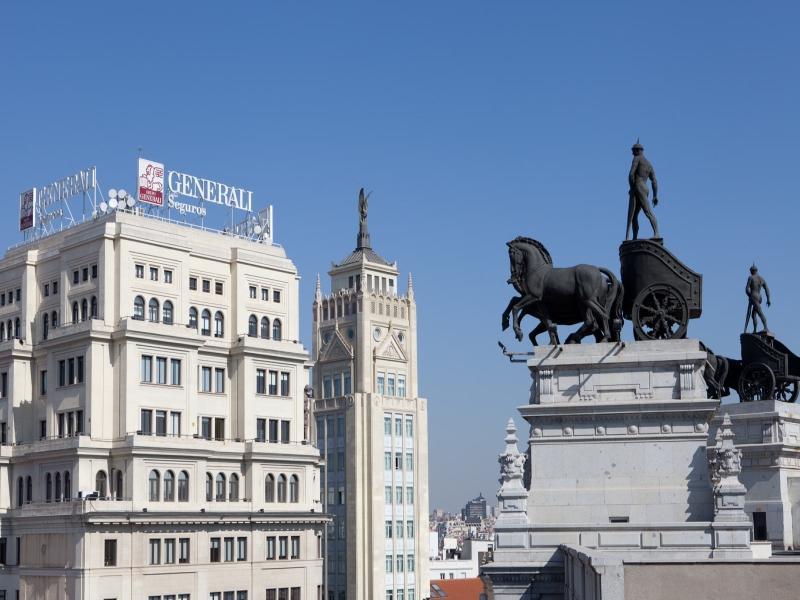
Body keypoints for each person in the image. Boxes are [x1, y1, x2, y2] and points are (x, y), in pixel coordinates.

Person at [626, 140, 660, 240]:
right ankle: (634, 237)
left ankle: (656, 233)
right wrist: (655, 195)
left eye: (633, 151)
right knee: (635, 215)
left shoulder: (637, 159)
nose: (632, 153)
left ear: (637, 151)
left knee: (646, 211)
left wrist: (631, 187)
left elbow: (631, 174)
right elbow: (654, 180)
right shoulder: (649, 164)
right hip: (645, 188)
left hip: (638, 186)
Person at [744, 264, 771, 333]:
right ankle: (755, 330)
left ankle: (766, 327)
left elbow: (747, 289)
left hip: (754, 296)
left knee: (760, 312)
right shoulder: (761, 279)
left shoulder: (751, 277)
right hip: (759, 297)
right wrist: (768, 299)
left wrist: (749, 295)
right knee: (753, 315)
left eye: (750, 271)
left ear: (752, 271)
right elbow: (767, 289)